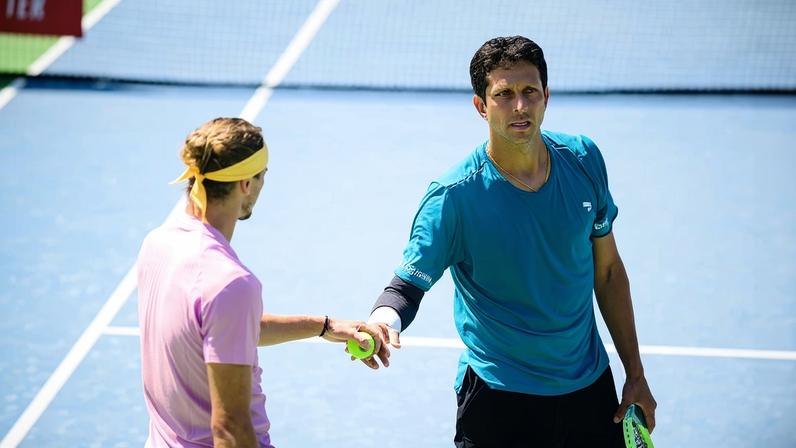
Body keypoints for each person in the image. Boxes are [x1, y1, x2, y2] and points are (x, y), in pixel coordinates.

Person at [365, 36, 657, 447]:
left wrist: (636, 374)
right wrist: (382, 322)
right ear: (481, 106)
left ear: (546, 96)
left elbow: (607, 272)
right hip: (498, 400)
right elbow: (405, 287)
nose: (519, 107)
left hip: (589, 391)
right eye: (503, 95)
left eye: (529, 92)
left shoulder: (584, 160)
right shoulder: (454, 197)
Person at [136, 117, 388, 448]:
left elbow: (223, 330)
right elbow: (229, 429)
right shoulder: (229, 283)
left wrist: (324, 326)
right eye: (262, 175)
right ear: (244, 184)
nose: (264, 183)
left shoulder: (157, 245)